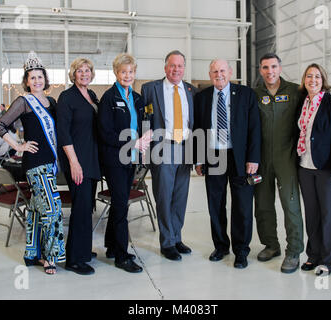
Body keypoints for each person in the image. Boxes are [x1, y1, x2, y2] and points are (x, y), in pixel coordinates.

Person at [0, 51, 66, 274]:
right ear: (26, 81)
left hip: (50, 161)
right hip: (35, 163)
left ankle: (31, 253)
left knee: (37, 209)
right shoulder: (23, 102)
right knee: (53, 210)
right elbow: (0, 126)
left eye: (40, 76)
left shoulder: (51, 101)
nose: (37, 80)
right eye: (32, 77)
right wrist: (18, 146)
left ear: (45, 78)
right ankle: (50, 256)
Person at [194, 59, 261, 268]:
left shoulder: (246, 94)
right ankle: (221, 246)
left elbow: (254, 128)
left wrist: (253, 158)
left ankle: (241, 250)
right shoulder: (202, 97)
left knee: (242, 205)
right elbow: (197, 129)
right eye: (214, 71)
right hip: (214, 156)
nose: (219, 74)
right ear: (209, 74)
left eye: (222, 70)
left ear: (230, 72)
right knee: (216, 204)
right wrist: (197, 158)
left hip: (239, 157)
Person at [98, 53, 152, 273]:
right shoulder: (108, 98)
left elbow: (144, 123)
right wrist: (133, 142)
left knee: (120, 203)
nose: (127, 75)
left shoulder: (137, 98)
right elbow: (105, 133)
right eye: (123, 71)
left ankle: (112, 246)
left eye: (131, 72)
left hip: (131, 159)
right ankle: (121, 255)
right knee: (121, 205)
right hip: (114, 159)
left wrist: (146, 138)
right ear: (116, 73)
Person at [141, 50, 196, 261]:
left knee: (180, 197)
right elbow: (144, 119)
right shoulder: (150, 89)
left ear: (184, 68)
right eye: (172, 65)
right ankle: (167, 242)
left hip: (186, 148)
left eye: (180, 66)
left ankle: (176, 237)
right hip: (162, 147)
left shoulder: (191, 90)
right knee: (164, 196)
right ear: (165, 68)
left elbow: (195, 121)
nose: (176, 69)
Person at [253, 53, 304, 273]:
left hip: (287, 157)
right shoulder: (254, 94)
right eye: (265, 67)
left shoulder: (295, 91)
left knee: (290, 205)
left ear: (280, 68)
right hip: (262, 158)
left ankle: (293, 251)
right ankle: (271, 245)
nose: (270, 71)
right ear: (260, 70)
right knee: (263, 205)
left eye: (273, 66)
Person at [297, 63, 331, 276]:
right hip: (305, 166)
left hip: (327, 168)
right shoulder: (303, 103)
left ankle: (328, 260)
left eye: (317, 76)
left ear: (323, 79)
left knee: (328, 214)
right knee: (312, 214)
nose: (313, 80)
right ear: (304, 80)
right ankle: (313, 254)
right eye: (309, 76)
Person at [56, 58, 101, 275]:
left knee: (87, 207)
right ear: (73, 74)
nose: (84, 74)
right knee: (81, 208)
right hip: (77, 160)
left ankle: (82, 249)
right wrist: (73, 162)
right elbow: (63, 132)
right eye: (79, 71)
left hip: (91, 159)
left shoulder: (91, 96)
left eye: (87, 70)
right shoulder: (67, 97)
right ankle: (74, 259)